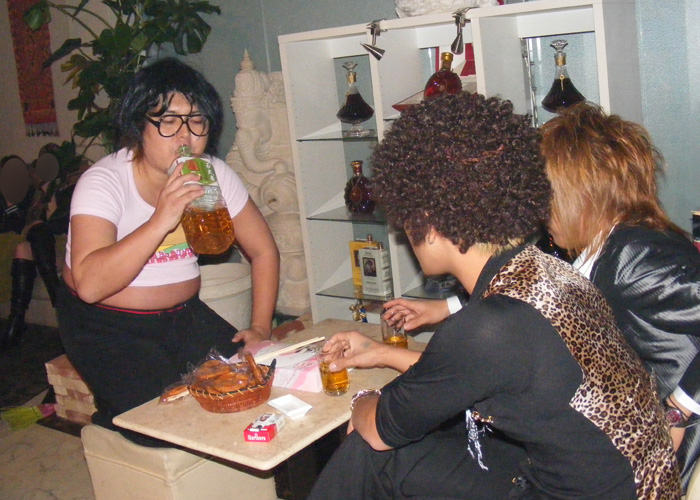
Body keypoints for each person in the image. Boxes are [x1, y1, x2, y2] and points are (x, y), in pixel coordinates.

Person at [308, 92, 679, 499]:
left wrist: (363, 400)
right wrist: (379, 353)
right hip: (622, 479)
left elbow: (381, 429)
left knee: (369, 450)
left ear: (428, 221)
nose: (403, 229)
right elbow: (464, 374)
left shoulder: (489, 325)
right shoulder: (545, 271)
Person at [56, 58, 280, 444]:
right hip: (105, 325)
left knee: (250, 389)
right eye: (168, 121)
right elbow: (90, 285)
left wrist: (260, 328)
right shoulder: (105, 181)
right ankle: (113, 419)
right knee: (165, 425)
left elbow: (263, 252)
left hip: (184, 316)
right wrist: (161, 218)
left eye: (197, 121)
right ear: (138, 125)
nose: (185, 136)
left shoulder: (213, 174)